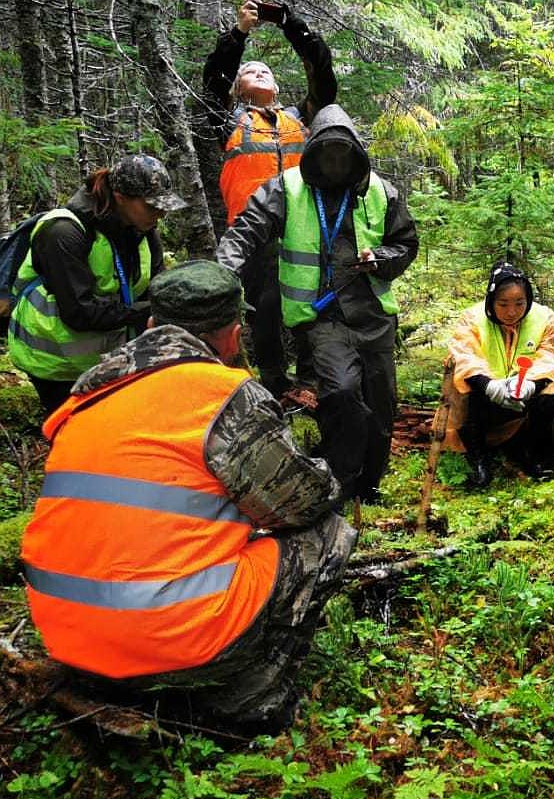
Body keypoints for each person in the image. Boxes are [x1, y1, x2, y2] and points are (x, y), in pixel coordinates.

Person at [20, 262, 356, 731]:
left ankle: (112, 675)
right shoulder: (218, 393)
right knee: (329, 532)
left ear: (153, 325)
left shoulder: (88, 397)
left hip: (65, 635)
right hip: (170, 642)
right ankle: (251, 694)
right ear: (234, 336)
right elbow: (303, 502)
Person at [216, 105, 419, 505]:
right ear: (315, 153)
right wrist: (222, 275)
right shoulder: (286, 189)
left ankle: (369, 486)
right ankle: (340, 483)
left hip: (374, 314)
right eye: (329, 154)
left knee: (380, 405)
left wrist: (381, 258)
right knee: (341, 392)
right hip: (321, 316)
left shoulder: (380, 191)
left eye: (344, 154)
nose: (337, 162)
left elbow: (406, 244)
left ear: (357, 155)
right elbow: (245, 233)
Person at [202, 0, 337, 396]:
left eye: (265, 71)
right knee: (264, 310)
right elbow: (213, 80)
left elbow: (323, 79)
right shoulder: (228, 119)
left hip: (305, 226)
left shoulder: (300, 118)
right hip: (253, 231)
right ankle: (276, 382)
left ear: (276, 86)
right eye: (250, 71)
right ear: (238, 88)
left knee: (313, 301)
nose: (259, 73)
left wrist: (291, 25)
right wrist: (240, 33)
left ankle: (312, 380)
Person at [8, 155, 182, 415]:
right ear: (121, 197)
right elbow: (79, 312)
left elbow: (156, 288)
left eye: (163, 206)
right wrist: (147, 312)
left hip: (110, 356)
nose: (161, 214)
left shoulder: (142, 229)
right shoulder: (63, 232)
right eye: (152, 206)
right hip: (56, 365)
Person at [444, 263, 554, 488]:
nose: (511, 312)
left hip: (522, 395)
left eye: (519, 303)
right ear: (491, 301)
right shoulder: (472, 319)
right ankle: (478, 457)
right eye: (503, 304)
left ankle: (533, 453)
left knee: (551, 390)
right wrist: (489, 385)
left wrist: (530, 384)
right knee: (461, 385)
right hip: (484, 396)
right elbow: (463, 356)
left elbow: (551, 355)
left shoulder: (544, 318)